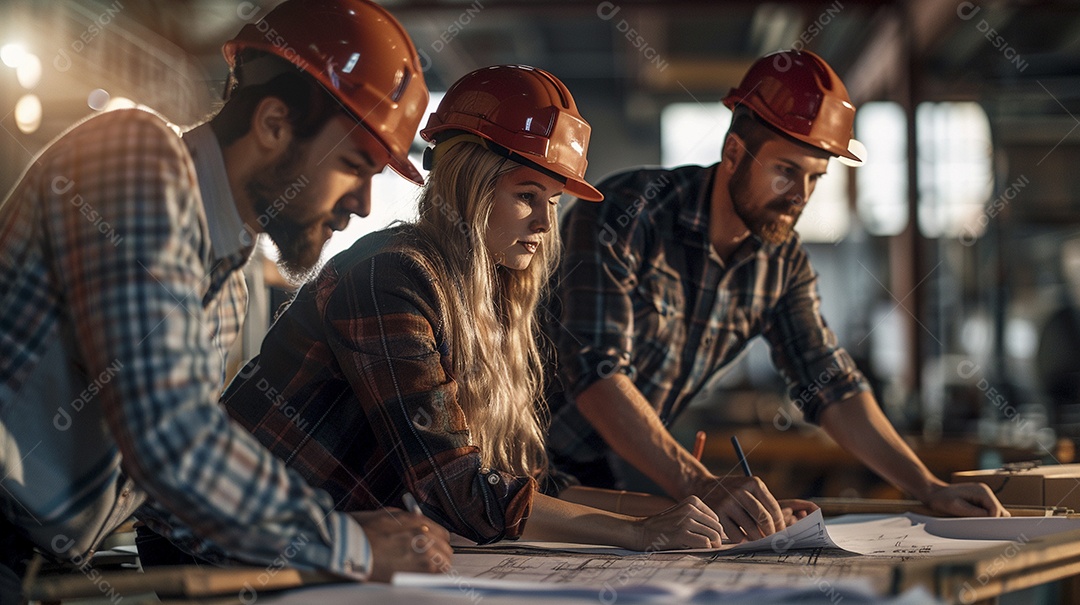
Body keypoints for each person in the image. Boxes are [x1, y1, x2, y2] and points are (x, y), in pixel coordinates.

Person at [0, 0, 451, 598]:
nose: (364, 205)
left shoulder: (229, 289)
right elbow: (170, 437)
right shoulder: (134, 156)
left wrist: (324, 541)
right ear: (272, 124)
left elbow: (174, 483)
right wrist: (347, 543)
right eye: (353, 166)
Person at [219, 64, 726, 552]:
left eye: (552, 201)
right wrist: (638, 533)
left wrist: (684, 508)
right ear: (469, 184)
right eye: (527, 194)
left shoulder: (491, 298)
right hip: (224, 547)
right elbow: (456, 491)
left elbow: (525, 482)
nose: (546, 225)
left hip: (327, 552)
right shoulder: (392, 277)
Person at [544, 49, 1008, 544]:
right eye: (786, 171)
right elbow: (597, 373)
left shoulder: (781, 263)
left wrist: (928, 486)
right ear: (734, 153)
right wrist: (703, 482)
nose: (799, 196)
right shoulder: (625, 215)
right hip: (517, 460)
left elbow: (831, 383)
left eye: (814, 178)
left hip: (606, 470)